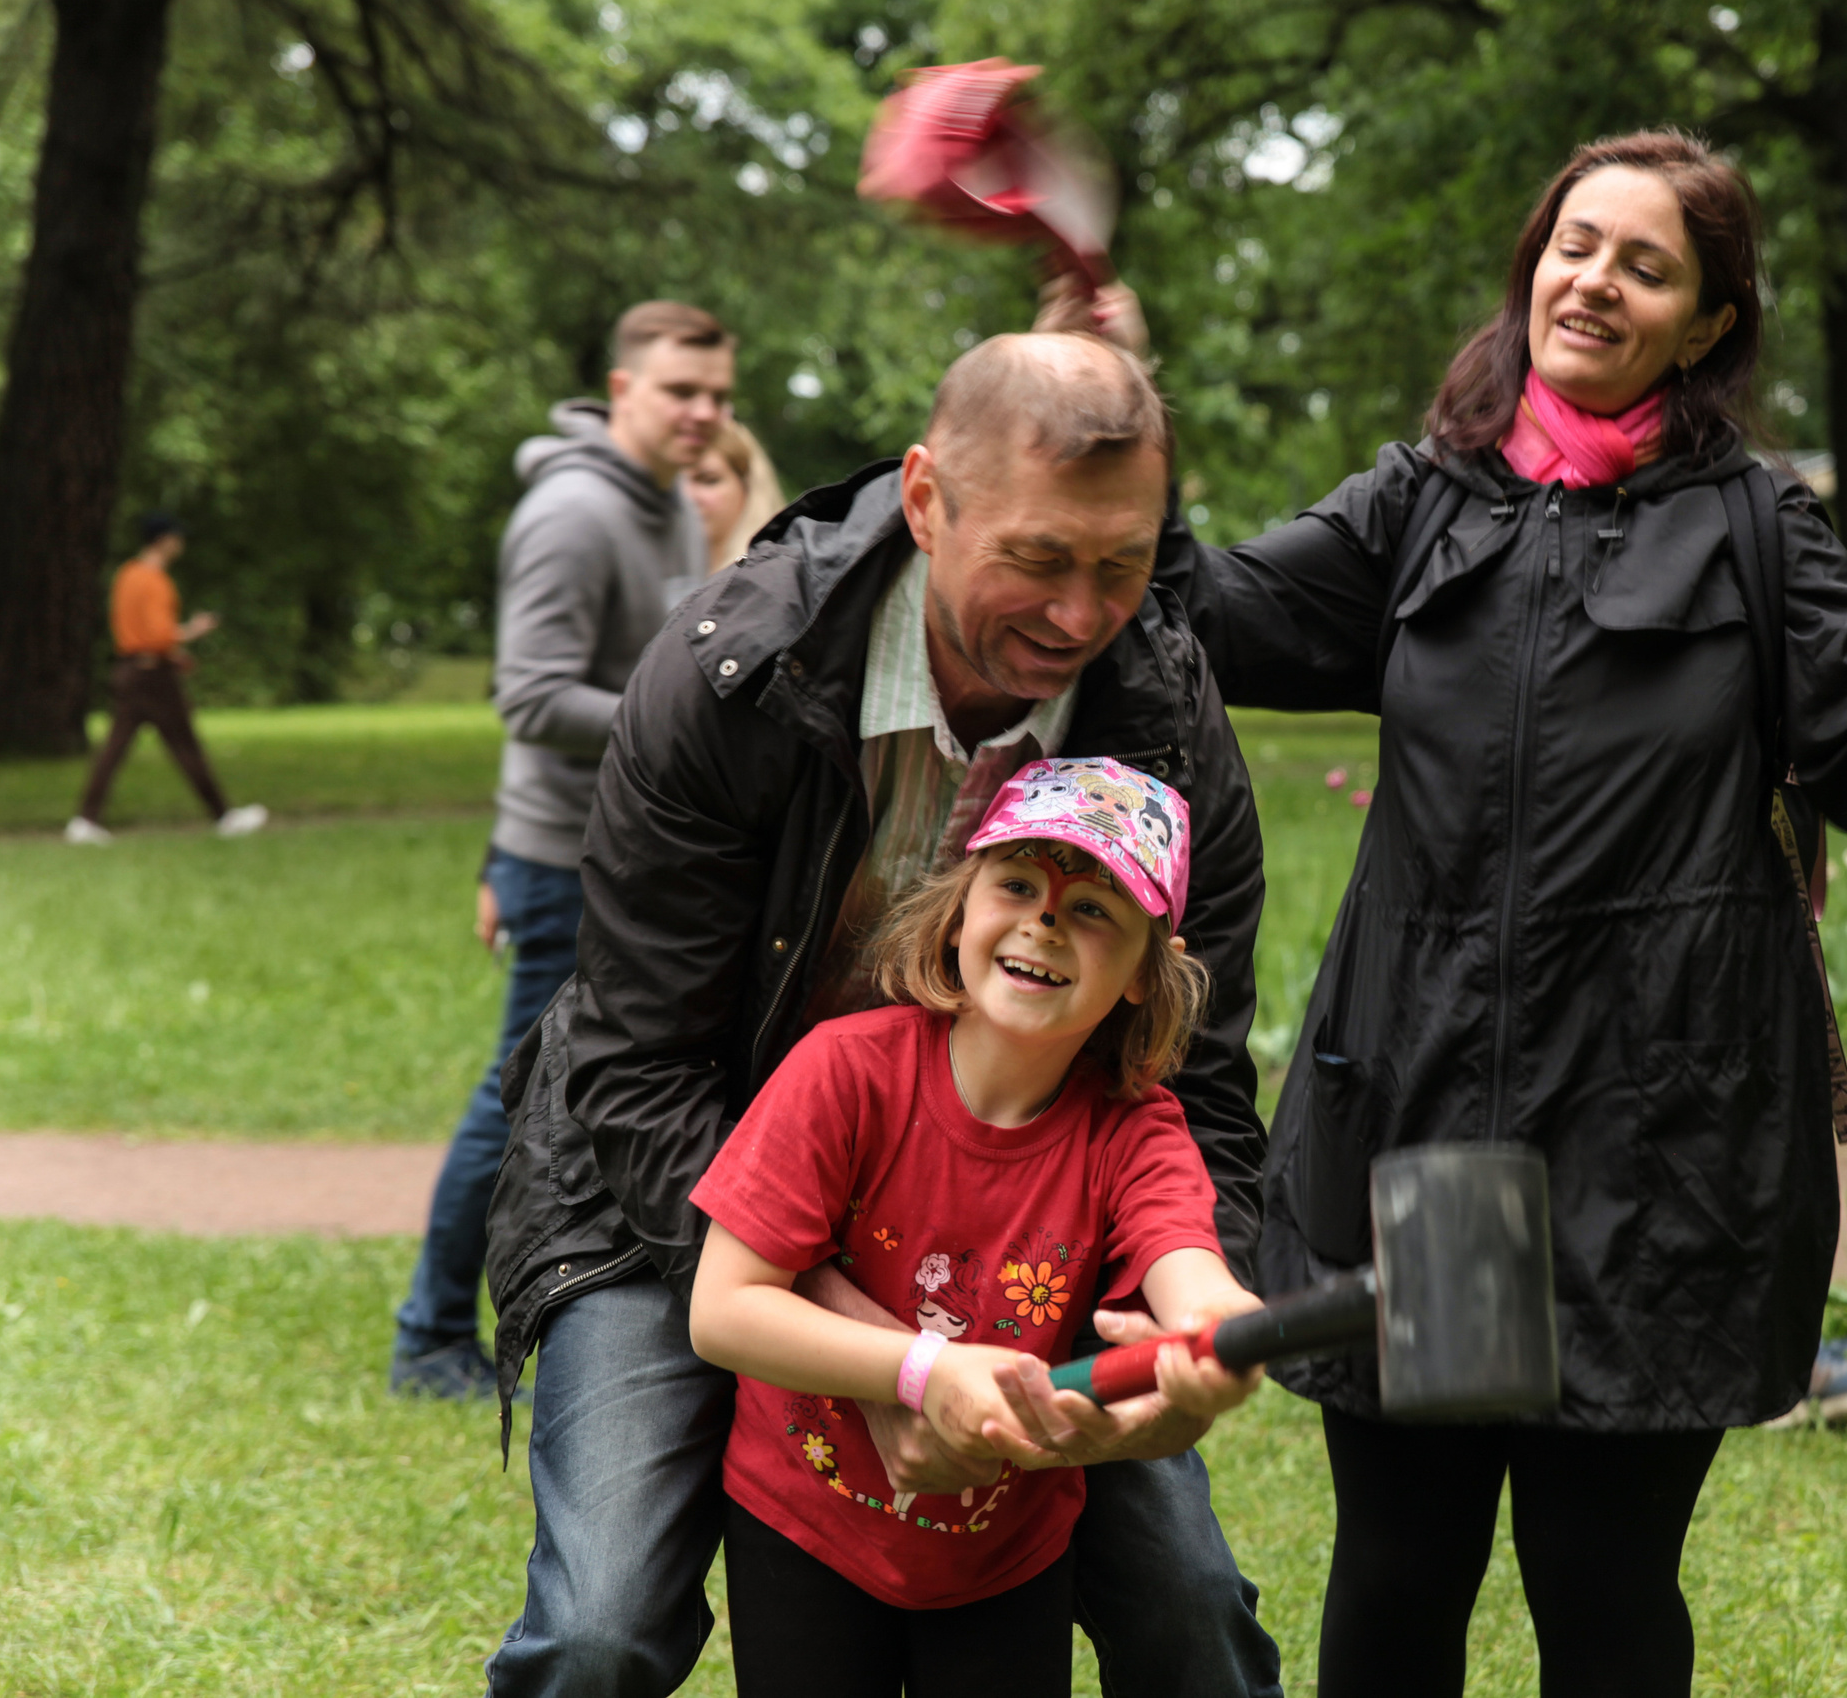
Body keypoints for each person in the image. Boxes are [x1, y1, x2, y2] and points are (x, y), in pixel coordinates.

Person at [1153, 128, 1847, 1695]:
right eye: (1576, 246)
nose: (1595, 281)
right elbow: (1212, 613)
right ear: (1532, 269)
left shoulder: (1756, 525)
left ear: (1706, 324)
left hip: (1656, 1156)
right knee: (1399, 1571)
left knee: (1605, 1583)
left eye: (1647, 266)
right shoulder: (1422, 501)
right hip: (1429, 1124)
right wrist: (1122, 440)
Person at [479, 327, 1282, 1697]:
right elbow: (635, 1062)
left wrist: (1167, 1330)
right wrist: (883, 1358)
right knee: (600, 1626)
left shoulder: (1165, 714)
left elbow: (1190, 1085)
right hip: (681, 1197)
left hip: (1013, 1214)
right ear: (925, 498)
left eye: (1123, 563)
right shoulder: (730, 674)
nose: (1081, 613)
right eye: (1037, 556)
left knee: (1188, 1607)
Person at [690, 756, 1263, 1697]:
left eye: (1093, 907)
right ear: (959, 909)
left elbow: (1188, 1267)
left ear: (1141, 970)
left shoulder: (1135, 1131)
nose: (1046, 920)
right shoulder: (843, 1070)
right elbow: (723, 1309)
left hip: (1009, 1553)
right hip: (805, 1520)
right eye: (1018, 884)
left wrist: (1217, 1330)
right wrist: (927, 1369)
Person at [388, 300, 734, 1400]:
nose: (703, 412)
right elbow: (530, 697)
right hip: (562, 860)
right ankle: (428, 1336)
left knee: (587, 1094)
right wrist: (683, 718)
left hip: (627, 847)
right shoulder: (574, 514)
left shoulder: (668, 500)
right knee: (518, 1102)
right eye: (681, 391)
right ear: (623, 387)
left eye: (718, 395)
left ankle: (592, 1304)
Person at [66, 512, 267, 843]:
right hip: (154, 677)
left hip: (129, 669)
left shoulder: (126, 575)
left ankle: (85, 820)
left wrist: (171, 654)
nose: (181, 544)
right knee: (184, 744)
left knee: (115, 747)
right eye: (177, 538)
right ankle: (224, 816)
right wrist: (193, 631)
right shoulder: (155, 581)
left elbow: (132, 630)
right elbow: (159, 635)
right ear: (164, 540)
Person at [684, 416, 788, 573]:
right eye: (675, 484)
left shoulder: (778, 572)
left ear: (748, 485)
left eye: (708, 480)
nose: (687, 495)